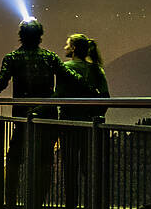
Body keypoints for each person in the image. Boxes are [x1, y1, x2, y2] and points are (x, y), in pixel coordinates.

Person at [0, 19, 82, 208]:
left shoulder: (12, 58)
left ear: (21, 35)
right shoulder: (50, 57)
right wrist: (91, 91)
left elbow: (2, 82)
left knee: (13, 160)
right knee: (45, 162)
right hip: (48, 118)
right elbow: (71, 77)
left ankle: (9, 201)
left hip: (22, 118)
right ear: (40, 36)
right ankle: (38, 202)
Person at [55, 33, 108, 209]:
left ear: (74, 48)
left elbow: (59, 95)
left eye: (67, 45)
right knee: (91, 170)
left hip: (69, 125)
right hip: (91, 126)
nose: (65, 48)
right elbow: (105, 98)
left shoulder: (65, 67)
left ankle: (72, 204)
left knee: (70, 170)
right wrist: (94, 116)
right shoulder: (97, 70)